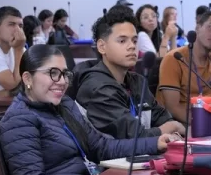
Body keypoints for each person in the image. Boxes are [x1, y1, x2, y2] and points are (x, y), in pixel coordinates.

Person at [0, 45, 175, 175]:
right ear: (27, 78)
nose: (62, 81)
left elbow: (101, 147)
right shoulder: (19, 119)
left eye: (65, 74)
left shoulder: (64, 105)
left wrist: (155, 143)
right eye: (53, 73)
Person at [75, 9, 185, 139]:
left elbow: (163, 118)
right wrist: (170, 128)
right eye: (122, 41)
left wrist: (174, 131)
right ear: (102, 47)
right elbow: (134, 138)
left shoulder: (137, 81)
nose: (132, 46)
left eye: (134, 41)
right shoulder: (97, 88)